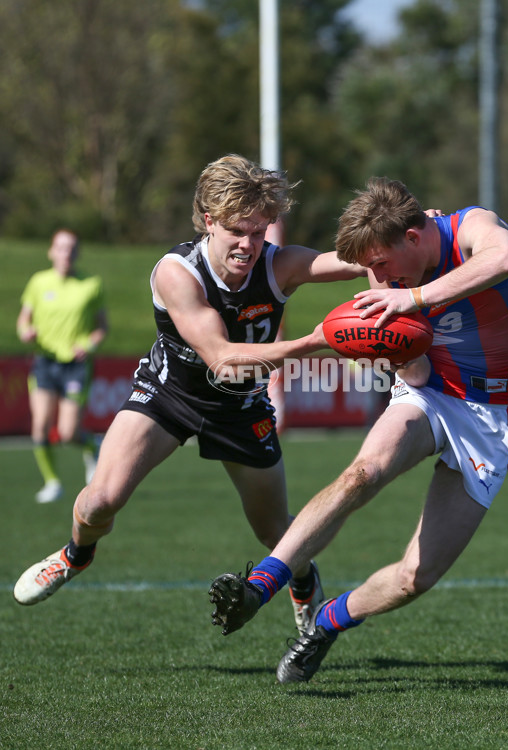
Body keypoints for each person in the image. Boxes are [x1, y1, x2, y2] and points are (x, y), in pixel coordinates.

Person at [13, 154, 369, 636]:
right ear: (209, 220)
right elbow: (221, 356)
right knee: (100, 501)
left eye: (259, 231)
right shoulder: (177, 272)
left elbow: (351, 259)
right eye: (237, 231)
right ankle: (74, 556)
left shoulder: (278, 265)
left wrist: (403, 238)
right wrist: (315, 341)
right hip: (168, 395)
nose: (249, 244)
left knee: (274, 533)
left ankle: (303, 584)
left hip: (241, 407)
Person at [208, 176, 508, 683]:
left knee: (415, 577)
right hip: (432, 392)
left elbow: (504, 260)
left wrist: (419, 299)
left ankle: (328, 621)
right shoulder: (385, 277)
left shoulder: (470, 227)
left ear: (413, 237)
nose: (375, 277)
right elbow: (419, 373)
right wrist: (394, 352)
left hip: (493, 412)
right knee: (362, 473)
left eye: (380, 263)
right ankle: (261, 584)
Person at [16, 229, 108, 504]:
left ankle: (92, 445)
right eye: (60, 248)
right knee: (40, 426)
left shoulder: (91, 284)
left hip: (75, 366)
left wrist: (89, 345)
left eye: (71, 248)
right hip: (44, 362)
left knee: (67, 433)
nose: (66, 253)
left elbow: (102, 328)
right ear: (51, 252)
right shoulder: (38, 282)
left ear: (77, 253)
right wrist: (25, 332)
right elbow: (23, 320)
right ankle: (52, 482)